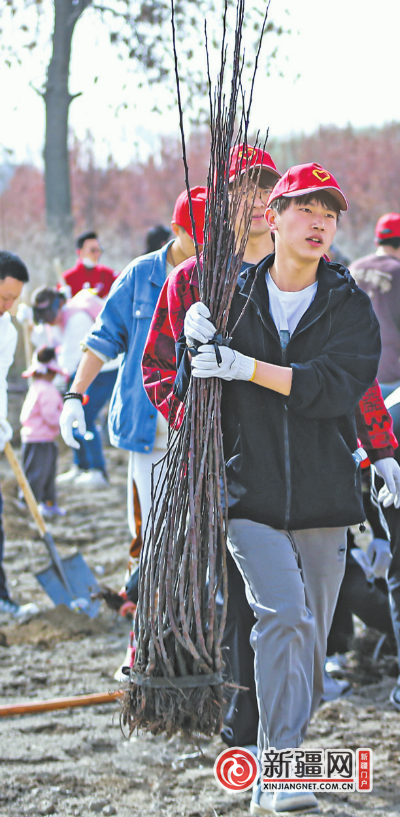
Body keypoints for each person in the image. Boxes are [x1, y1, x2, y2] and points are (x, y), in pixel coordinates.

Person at [143, 163, 381, 815]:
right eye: (304, 208)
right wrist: (196, 350)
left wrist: (248, 365)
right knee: (283, 613)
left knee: (308, 640)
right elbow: (190, 390)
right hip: (247, 493)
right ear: (271, 219)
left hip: (326, 495)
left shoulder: (349, 302)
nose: (319, 223)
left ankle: (280, 761)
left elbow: (336, 386)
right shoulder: (229, 298)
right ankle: (278, 772)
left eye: (330, 214)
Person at [59, 187, 208, 543]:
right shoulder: (140, 275)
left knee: (198, 534)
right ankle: (143, 595)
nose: (205, 247)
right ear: (177, 229)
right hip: (148, 428)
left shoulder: (217, 275)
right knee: (149, 535)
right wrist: (74, 396)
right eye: (197, 238)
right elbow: (103, 339)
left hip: (201, 429)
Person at [350, 213, 400, 710]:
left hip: (360, 387)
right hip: (390, 389)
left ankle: (376, 541)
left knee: (368, 487)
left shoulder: (354, 268)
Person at [30, 286, 119, 488]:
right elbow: (45, 345)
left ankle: (98, 471)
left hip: (104, 368)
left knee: (85, 415)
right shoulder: (54, 322)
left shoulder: (76, 319)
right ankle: (81, 466)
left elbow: (68, 361)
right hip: (78, 370)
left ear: (58, 304)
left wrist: (52, 387)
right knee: (70, 417)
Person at [0, 251, 37, 619]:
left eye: (13, 300)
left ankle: (1, 597)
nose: (8, 306)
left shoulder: (6, 329)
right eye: (3, 298)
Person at [20, 347, 68, 518]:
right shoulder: (47, 390)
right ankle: (28, 505)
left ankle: (47, 503)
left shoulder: (36, 387)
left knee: (43, 472)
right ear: (49, 372)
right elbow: (50, 415)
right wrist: (63, 419)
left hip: (38, 438)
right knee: (39, 474)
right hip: (40, 439)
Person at [62, 230, 117, 298]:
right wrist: (62, 297)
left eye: (99, 250)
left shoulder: (108, 275)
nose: (97, 254)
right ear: (80, 252)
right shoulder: (68, 279)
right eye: (93, 250)